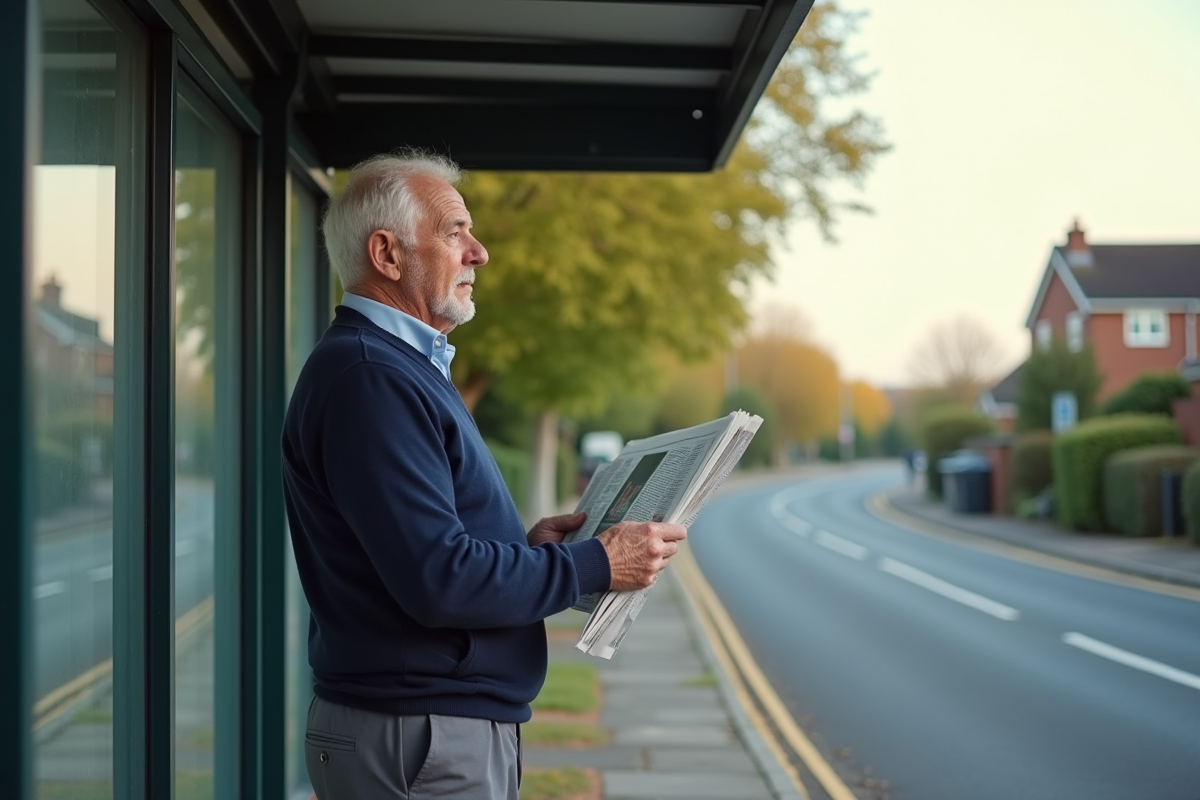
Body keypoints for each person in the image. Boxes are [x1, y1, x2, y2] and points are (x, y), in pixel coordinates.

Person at [282, 151, 687, 800]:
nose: (480, 252)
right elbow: (439, 580)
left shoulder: (397, 369)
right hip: (422, 737)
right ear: (387, 255)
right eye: (454, 232)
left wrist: (528, 553)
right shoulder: (371, 378)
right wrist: (596, 565)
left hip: (430, 730)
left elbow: (422, 558)